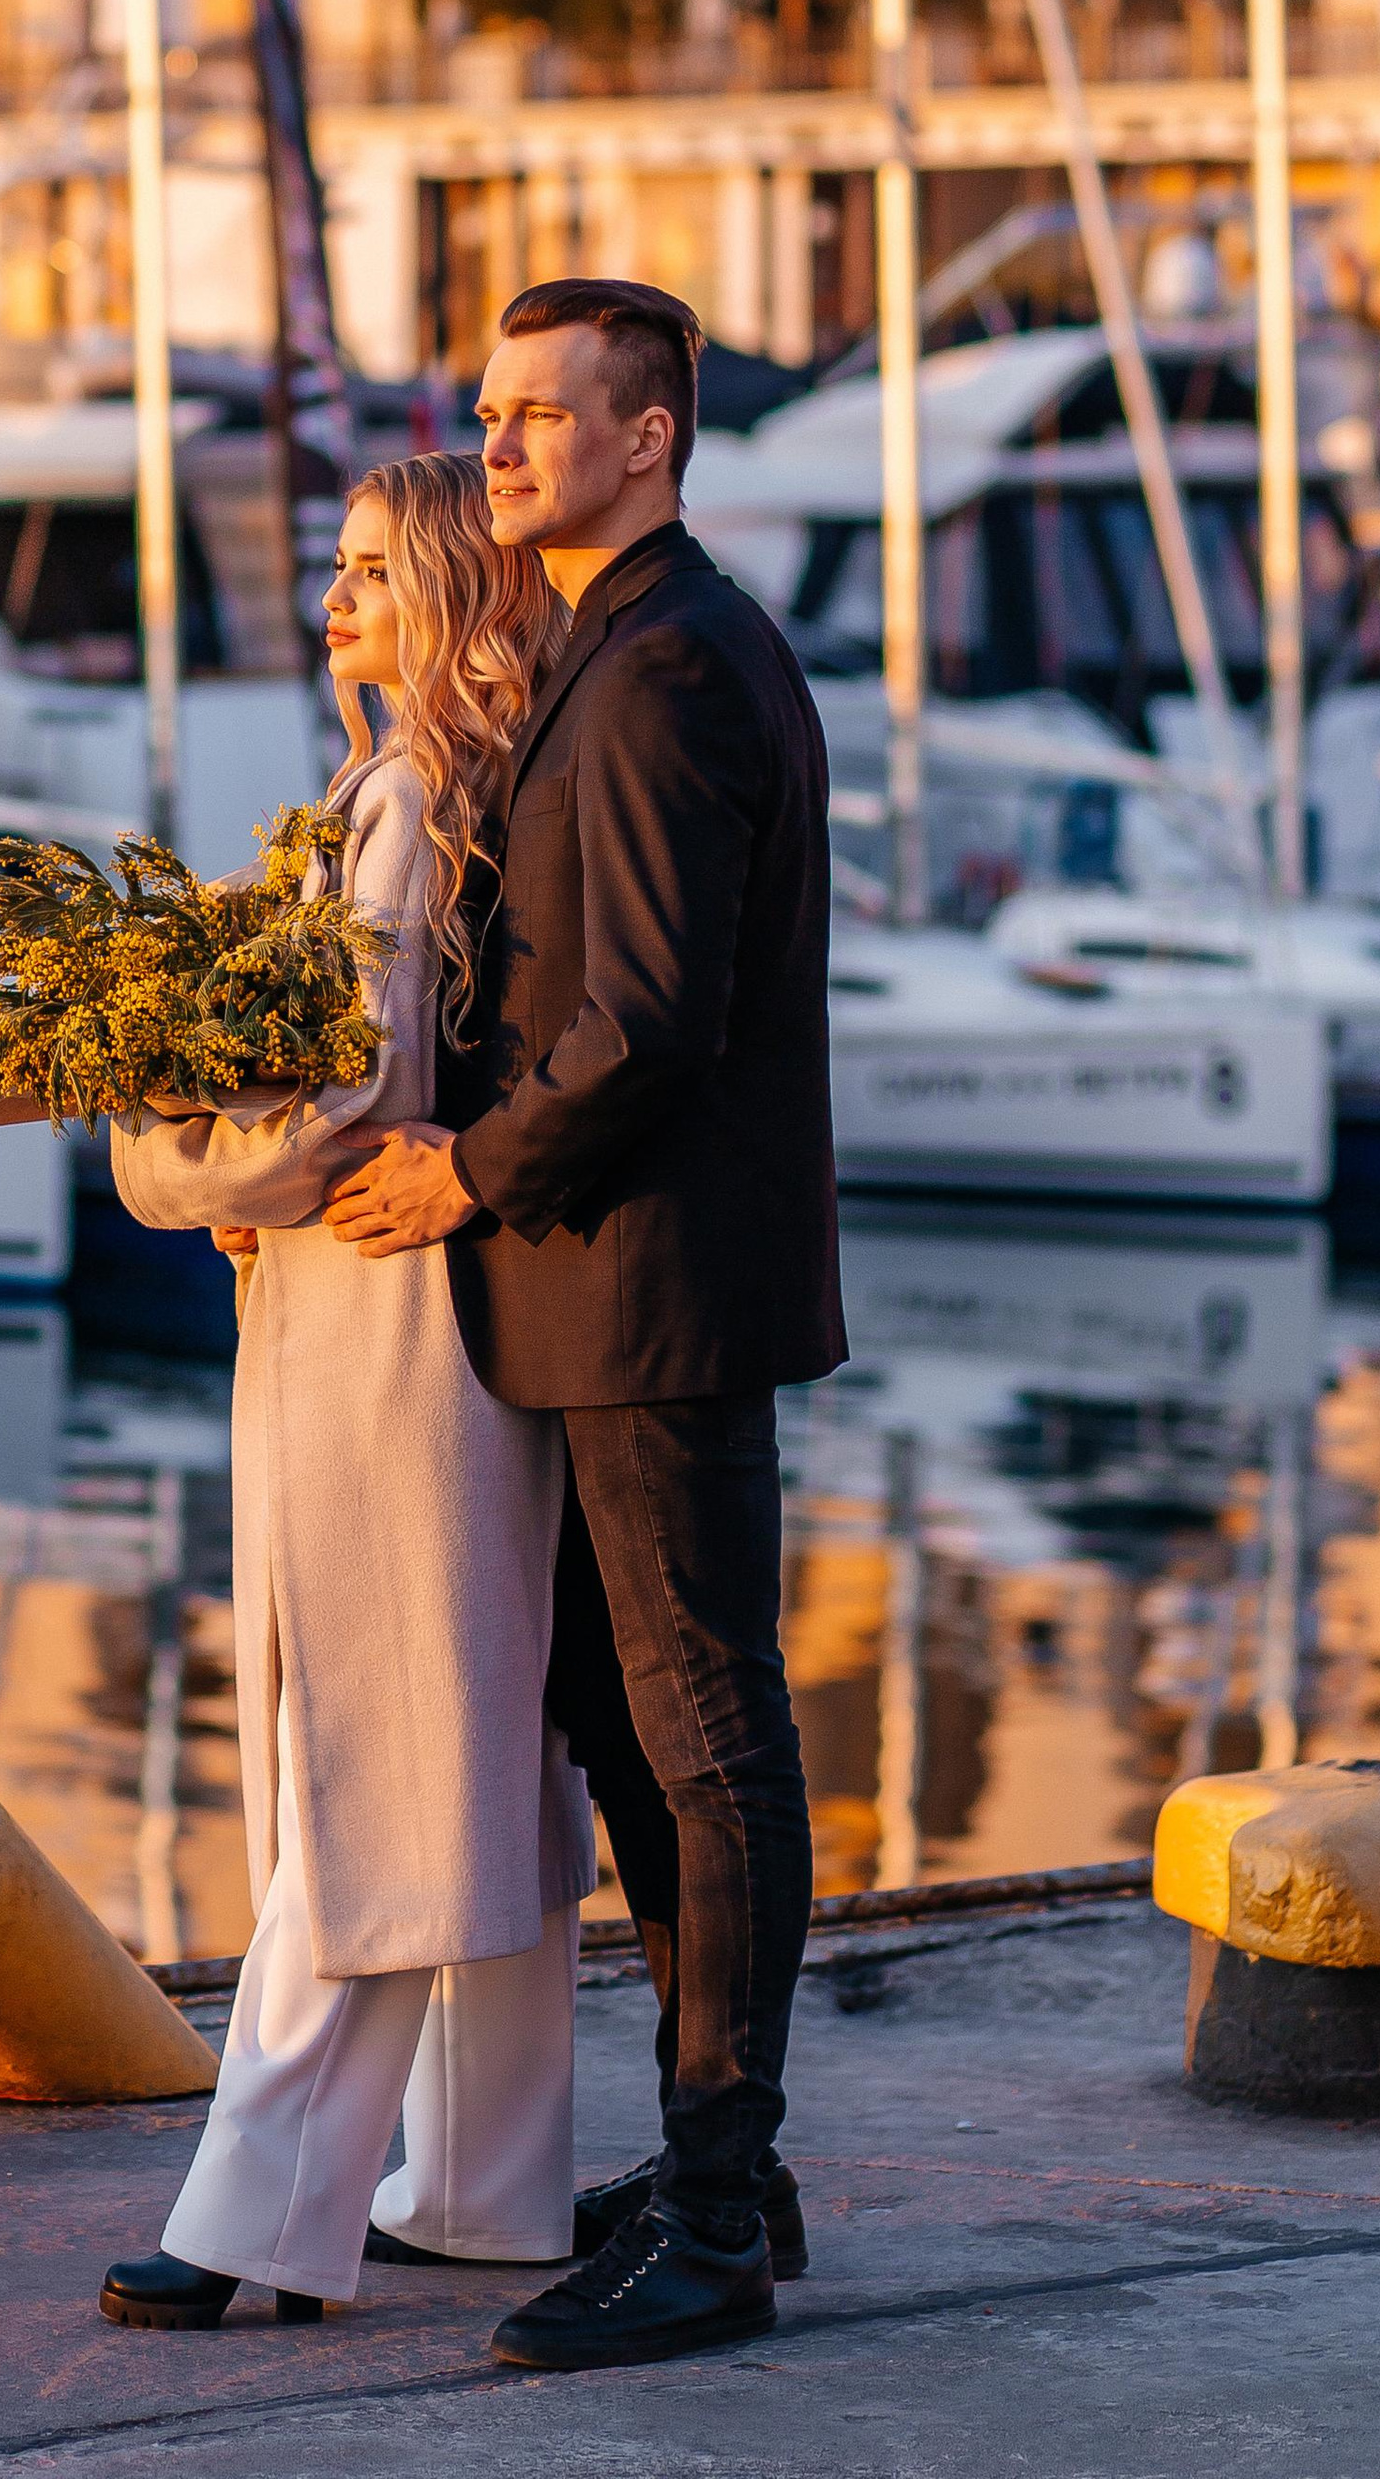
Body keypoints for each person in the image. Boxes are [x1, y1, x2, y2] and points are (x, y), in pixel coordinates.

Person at [329, 278, 843, 2376]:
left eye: (547, 414)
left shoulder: (656, 672)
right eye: (489, 409)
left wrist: (454, 1169)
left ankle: (716, 2214)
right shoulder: (613, 646)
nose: (506, 441)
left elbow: (635, 1028)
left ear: (649, 439)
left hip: (646, 1286)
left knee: (702, 1736)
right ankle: (729, 2174)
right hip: (595, 1288)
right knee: (635, 1732)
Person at [95, 453, 596, 2331]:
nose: (338, 596)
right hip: (464, 1323)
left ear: (457, 594)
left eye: (377, 570)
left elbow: (330, 1098)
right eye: (336, 567)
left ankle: (255, 2221)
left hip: (380, 1330)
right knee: (476, 1733)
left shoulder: (396, 804)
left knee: (366, 1754)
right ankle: (483, 2182)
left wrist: (162, 1160)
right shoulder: (466, 790)